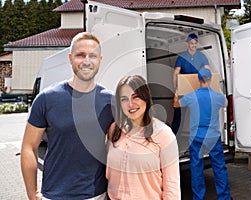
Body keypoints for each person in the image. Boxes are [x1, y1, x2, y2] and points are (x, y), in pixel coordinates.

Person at [20, 32, 114, 200]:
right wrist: (32, 194)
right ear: (70, 59)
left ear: (100, 60)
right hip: (55, 195)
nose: (86, 61)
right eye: (80, 55)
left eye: (92, 55)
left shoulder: (111, 101)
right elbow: (29, 147)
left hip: (97, 195)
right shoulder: (46, 99)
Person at [106, 75, 181, 200]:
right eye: (124, 99)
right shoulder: (114, 130)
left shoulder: (164, 135)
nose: (130, 104)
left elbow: (172, 186)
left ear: (146, 98)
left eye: (136, 97)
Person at [179, 68, 231, 200]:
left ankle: (198, 197)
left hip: (197, 137)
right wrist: (217, 88)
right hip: (213, 137)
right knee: (219, 168)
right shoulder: (217, 96)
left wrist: (177, 91)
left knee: (196, 169)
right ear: (210, 79)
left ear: (198, 80)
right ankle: (224, 197)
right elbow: (226, 103)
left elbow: (176, 104)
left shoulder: (191, 96)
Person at [172, 33, 210, 135]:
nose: (193, 45)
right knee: (179, 116)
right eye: (191, 43)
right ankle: (174, 139)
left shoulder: (201, 56)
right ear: (187, 44)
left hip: (197, 89)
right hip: (184, 90)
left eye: (195, 43)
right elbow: (176, 72)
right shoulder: (182, 57)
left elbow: (208, 69)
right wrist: (176, 87)